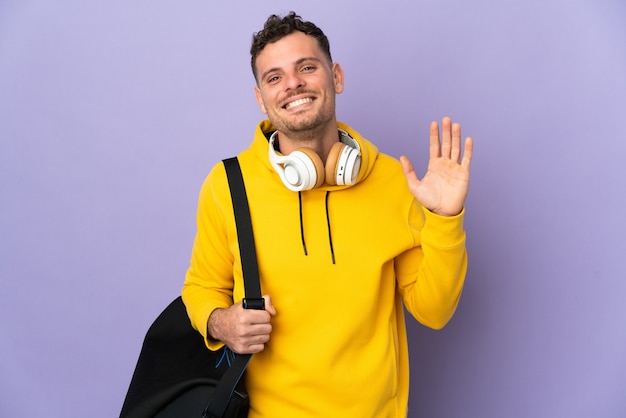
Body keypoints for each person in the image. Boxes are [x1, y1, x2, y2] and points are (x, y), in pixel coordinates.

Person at [182, 11, 473, 418]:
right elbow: (200, 287)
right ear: (261, 98)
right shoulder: (228, 184)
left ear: (335, 76)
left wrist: (445, 217)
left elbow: (434, 310)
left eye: (306, 67)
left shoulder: (393, 180)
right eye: (274, 77)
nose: (293, 84)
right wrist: (220, 322)